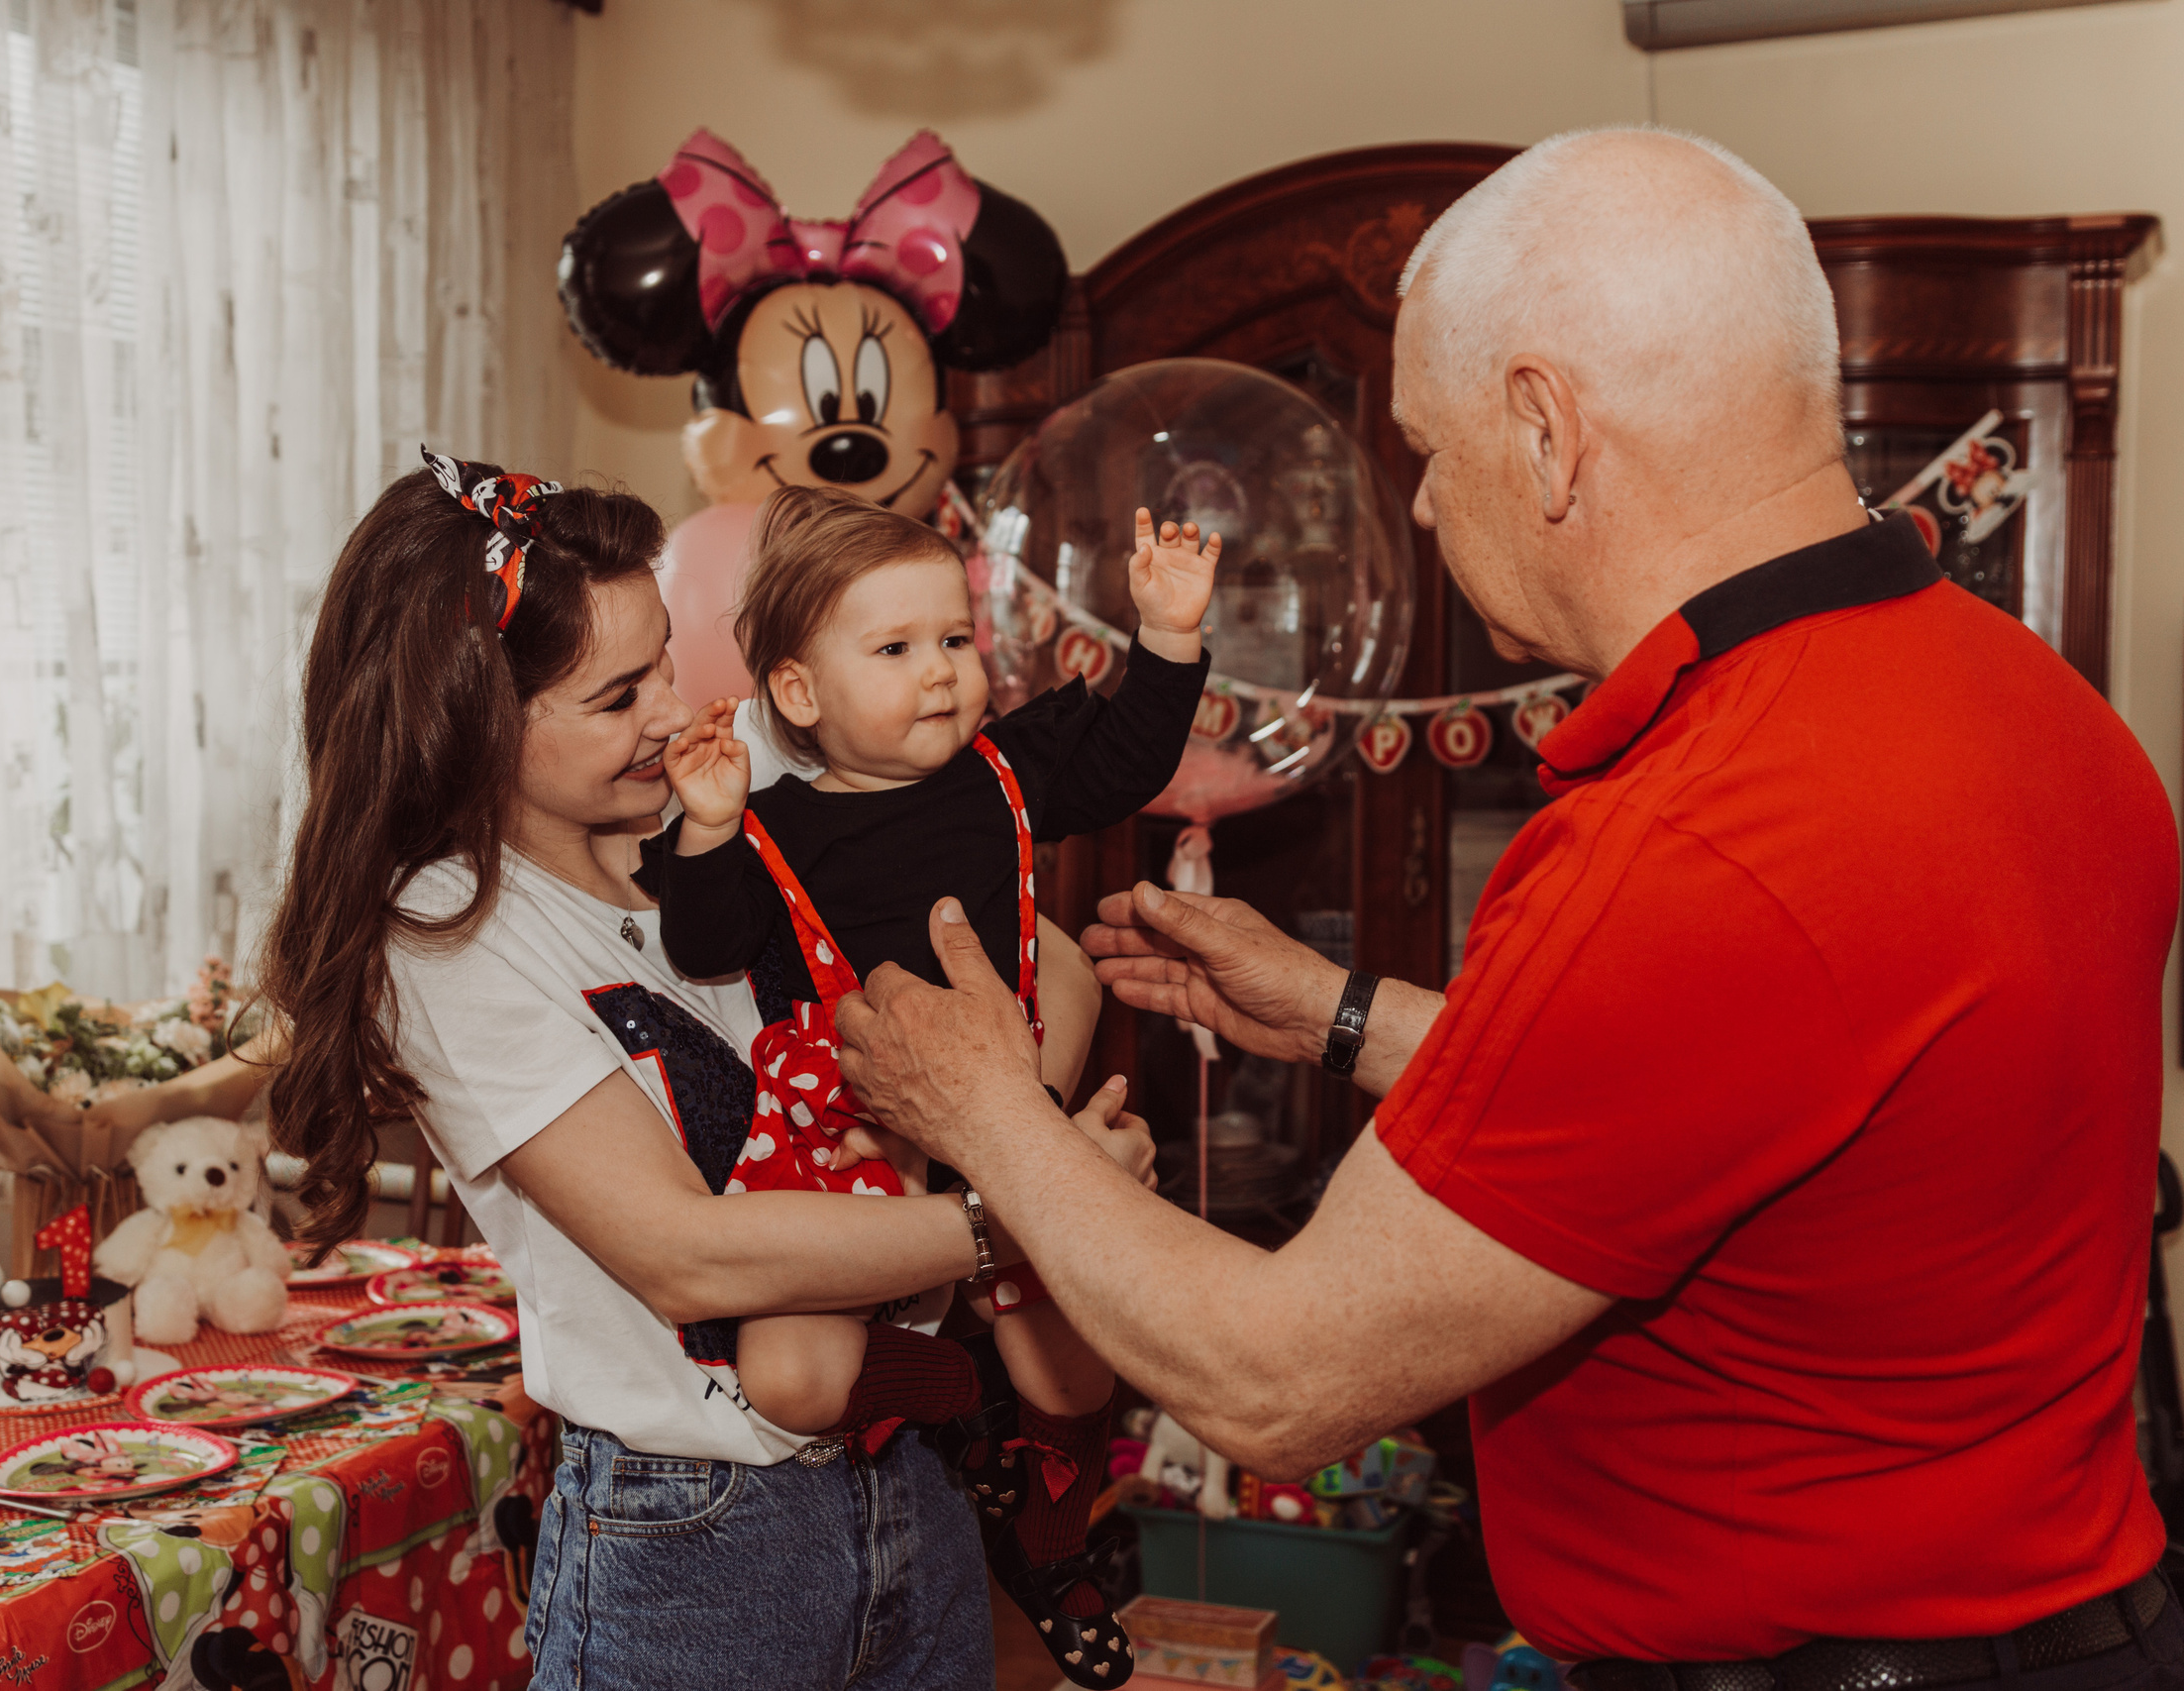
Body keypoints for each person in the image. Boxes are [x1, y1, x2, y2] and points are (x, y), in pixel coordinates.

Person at [832, 126, 2184, 1686]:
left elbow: (1279, 1376)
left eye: (1428, 446)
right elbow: (1741, 1084)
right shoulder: (2034, 701)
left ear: (1547, 430)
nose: (1420, 508)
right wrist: (1340, 1013)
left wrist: (988, 1110)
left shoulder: (1693, 833)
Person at [256, 450, 1154, 1691]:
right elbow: (686, 1255)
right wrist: (1036, 1197)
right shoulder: (449, 937)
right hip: (696, 1542)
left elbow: (1043, 957)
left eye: (667, 663)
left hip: (917, 1483)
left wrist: (1016, 1126)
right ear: (474, 719)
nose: (674, 713)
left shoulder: (729, 810)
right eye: (617, 696)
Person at [654, 483, 1215, 1681]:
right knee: (789, 1380)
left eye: (954, 639)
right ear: (799, 693)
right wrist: (704, 829)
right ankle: (964, 1405)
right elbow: (701, 947)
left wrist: (1167, 636)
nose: (942, 673)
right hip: (846, 1131)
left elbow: (1127, 760)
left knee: (1075, 1372)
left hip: (1004, 1107)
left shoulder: (1006, 771)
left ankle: (1045, 1526)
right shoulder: (770, 825)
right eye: (895, 649)